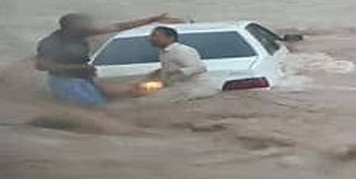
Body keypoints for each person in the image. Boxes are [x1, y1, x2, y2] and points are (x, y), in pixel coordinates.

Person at [35, 12, 178, 107]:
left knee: (104, 103)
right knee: (95, 108)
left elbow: (119, 26)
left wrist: (152, 19)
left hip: (84, 79)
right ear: (71, 27)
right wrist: (77, 68)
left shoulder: (80, 34)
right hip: (65, 82)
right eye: (84, 23)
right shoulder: (52, 42)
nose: (89, 26)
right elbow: (41, 65)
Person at [145, 26, 218, 100]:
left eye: (156, 36)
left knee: (150, 100)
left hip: (196, 88)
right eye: (152, 36)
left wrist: (178, 71)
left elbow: (200, 68)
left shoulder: (181, 50)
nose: (152, 39)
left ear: (171, 38)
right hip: (181, 87)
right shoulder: (164, 52)